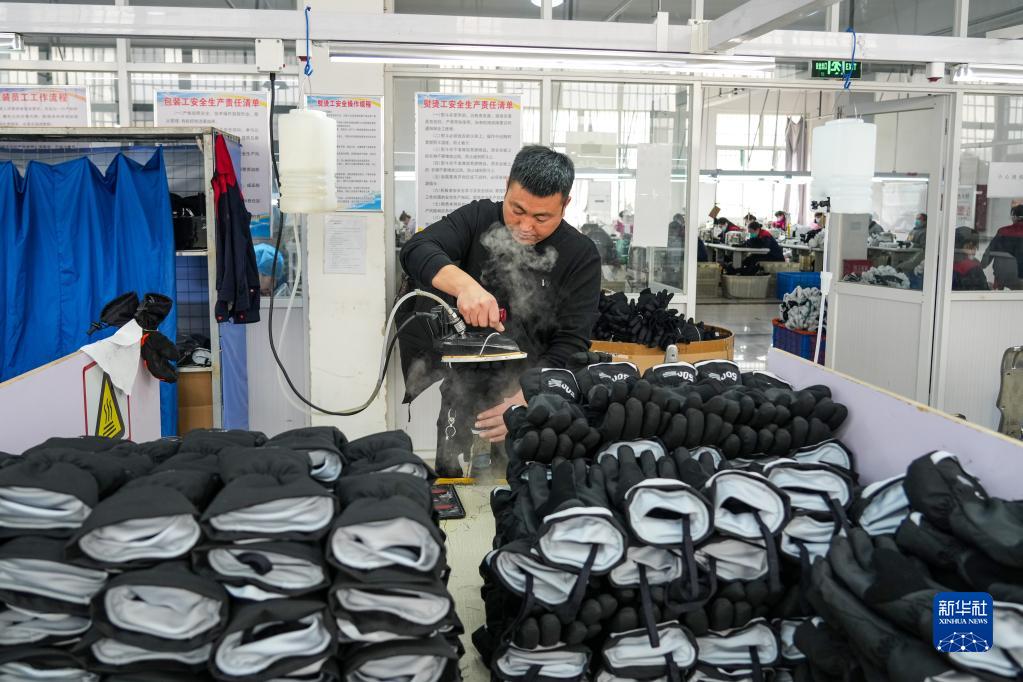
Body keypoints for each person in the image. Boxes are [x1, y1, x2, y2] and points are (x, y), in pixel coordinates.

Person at [399, 145, 601, 477]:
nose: (525, 226)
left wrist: (529, 399)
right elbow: (417, 249)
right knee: (455, 490)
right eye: (516, 210)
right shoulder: (478, 218)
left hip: (535, 402)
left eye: (541, 218)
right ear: (506, 186)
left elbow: (571, 343)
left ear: (565, 204)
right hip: (462, 393)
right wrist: (465, 286)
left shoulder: (580, 255)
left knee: (523, 490)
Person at [981, 204, 1023, 290]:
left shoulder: (1002, 231)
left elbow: (989, 251)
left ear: (1015, 217)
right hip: (1020, 279)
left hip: (1000, 277)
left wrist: (981, 266)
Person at [951, 226, 989, 291]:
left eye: (975, 246)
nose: (975, 250)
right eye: (970, 246)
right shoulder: (974, 266)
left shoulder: (946, 263)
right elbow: (983, 290)